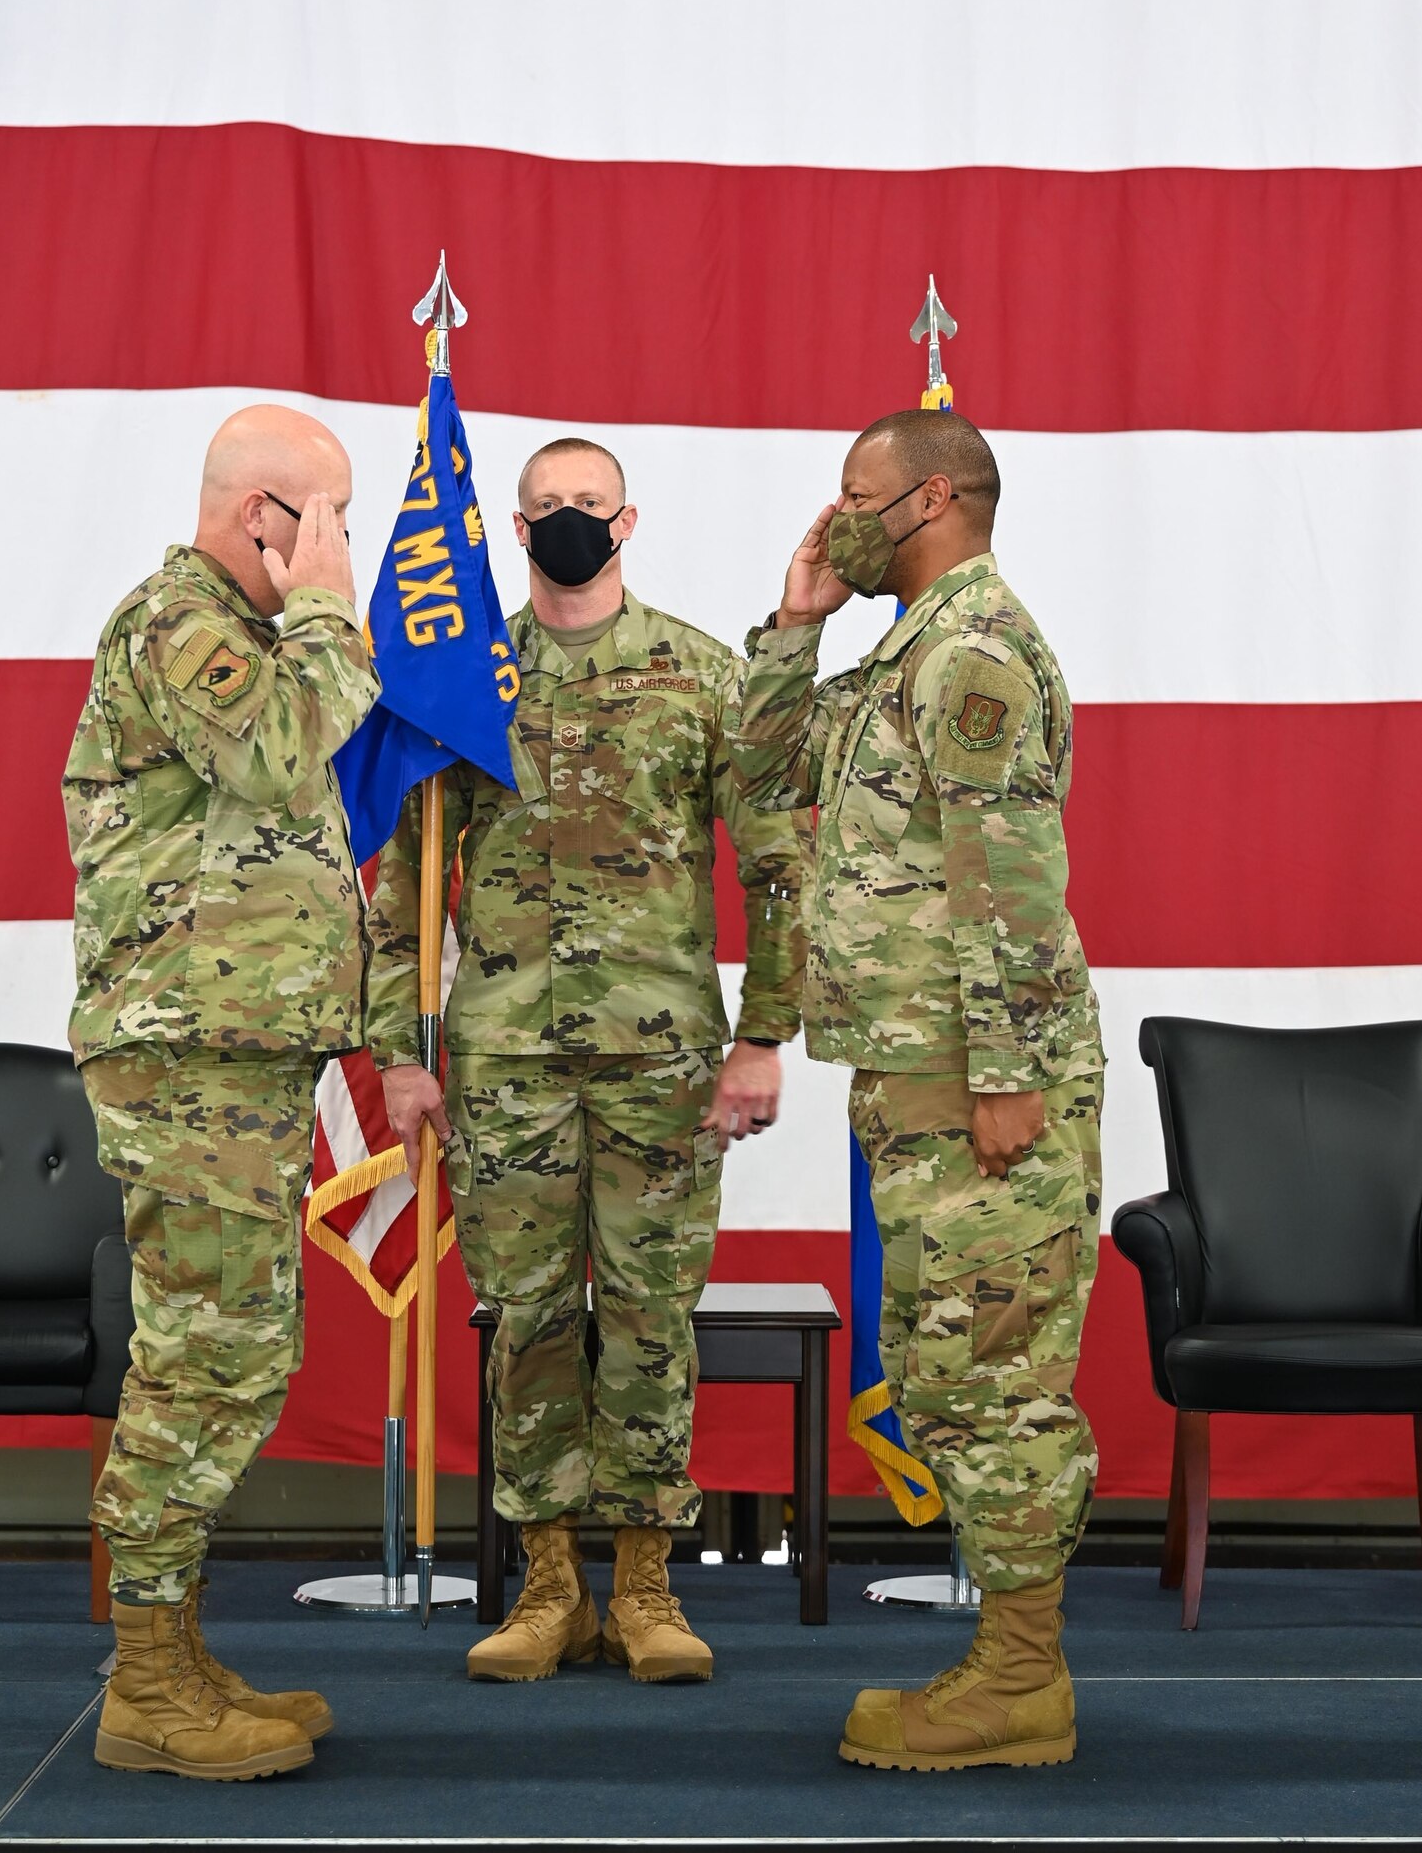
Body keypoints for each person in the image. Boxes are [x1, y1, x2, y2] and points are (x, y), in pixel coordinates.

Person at [366, 436, 811, 1685]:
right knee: (529, 1319)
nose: (569, 521)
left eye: (589, 506)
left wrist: (764, 1032)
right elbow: (402, 875)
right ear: (513, 530)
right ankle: (549, 1581)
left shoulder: (700, 674)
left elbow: (774, 862)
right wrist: (401, 1054)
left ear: (629, 523)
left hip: (662, 1056)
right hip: (503, 1052)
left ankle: (649, 1583)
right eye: (547, 507)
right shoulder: (461, 680)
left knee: (652, 1317)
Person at [729, 409, 1103, 1770]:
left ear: (927, 498)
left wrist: (1003, 1077)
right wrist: (796, 616)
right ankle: (1010, 1668)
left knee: (995, 1380)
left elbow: (997, 869)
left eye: (853, 496)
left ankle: (1020, 1682)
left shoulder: (970, 652)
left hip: (976, 1079)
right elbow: (755, 774)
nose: (836, 515)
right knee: (952, 1372)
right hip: (916, 1071)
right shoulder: (899, 653)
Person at [63, 405, 376, 1780]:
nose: (346, 551)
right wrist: (325, 617)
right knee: (205, 1359)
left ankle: (173, 1652)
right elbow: (275, 749)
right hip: (188, 1061)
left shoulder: (234, 639)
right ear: (268, 518)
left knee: (233, 1350)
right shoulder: (180, 627)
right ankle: (144, 1685)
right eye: (333, 521)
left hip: (236, 1057)